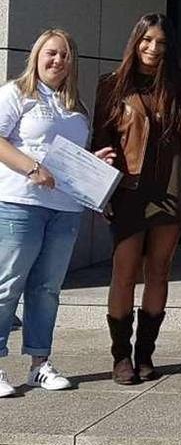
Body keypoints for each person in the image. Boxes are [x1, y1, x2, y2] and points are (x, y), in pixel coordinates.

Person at [0, 29, 115, 397]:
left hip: (64, 209)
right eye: (51, 53)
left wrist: (92, 164)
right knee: (7, 286)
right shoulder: (17, 94)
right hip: (21, 203)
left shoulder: (74, 106)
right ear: (36, 56)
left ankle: (39, 364)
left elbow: (66, 157)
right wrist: (33, 169)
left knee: (47, 289)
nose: (57, 60)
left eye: (65, 55)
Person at [93, 13, 181, 385]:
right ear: (136, 42)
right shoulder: (112, 86)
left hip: (169, 190)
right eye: (147, 40)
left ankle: (146, 353)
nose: (153, 48)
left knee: (160, 271)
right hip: (129, 191)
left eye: (161, 43)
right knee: (124, 272)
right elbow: (100, 143)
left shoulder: (177, 86)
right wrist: (101, 191)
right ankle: (121, 355)